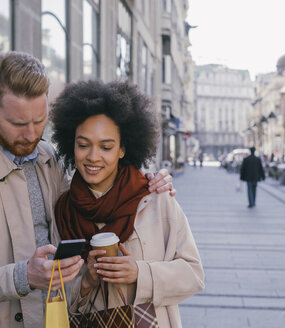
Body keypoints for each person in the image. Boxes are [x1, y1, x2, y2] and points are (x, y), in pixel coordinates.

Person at [0, 51, 175, 328]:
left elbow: (95, 192)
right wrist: (23, 277)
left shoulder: (49, 157)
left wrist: (147, 182)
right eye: (18, 124)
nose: (32, 134)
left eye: (40, 121)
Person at [50, 80, 204, 328]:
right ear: (72, 144)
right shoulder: (63, 210)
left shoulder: (156, 199)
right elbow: (53, 294)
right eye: (83, 145)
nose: (93, 157)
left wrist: (140, 274)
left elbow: (194, 275)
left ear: (122, 149)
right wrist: (86, 282)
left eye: (106, 147)